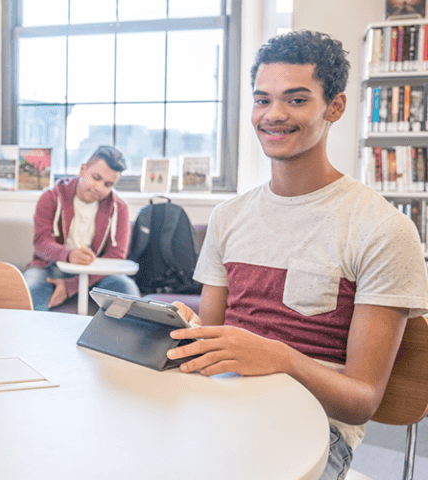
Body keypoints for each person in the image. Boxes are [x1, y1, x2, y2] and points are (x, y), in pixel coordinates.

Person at [166, 31, 428, 480]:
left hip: (317, 430)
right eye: (262, 99)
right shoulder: (228, 217)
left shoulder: (384, 230)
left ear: (335, 108)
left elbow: (362, 400)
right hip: (219, 408)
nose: (274, 115)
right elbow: (208, 340)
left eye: (296, 100)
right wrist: (183, 332)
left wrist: (280, 358)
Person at [23, 145, 139, 311]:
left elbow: (116, 256)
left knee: (127, 292)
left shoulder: (119, 209)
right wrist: (68, 255)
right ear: (83, 170)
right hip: (52, 267)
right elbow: (41, 242)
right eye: (96, 177)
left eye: (108, 184)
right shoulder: (50, 197)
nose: (99, 187)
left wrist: (71, 286)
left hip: (97, 276)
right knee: (29, 289)